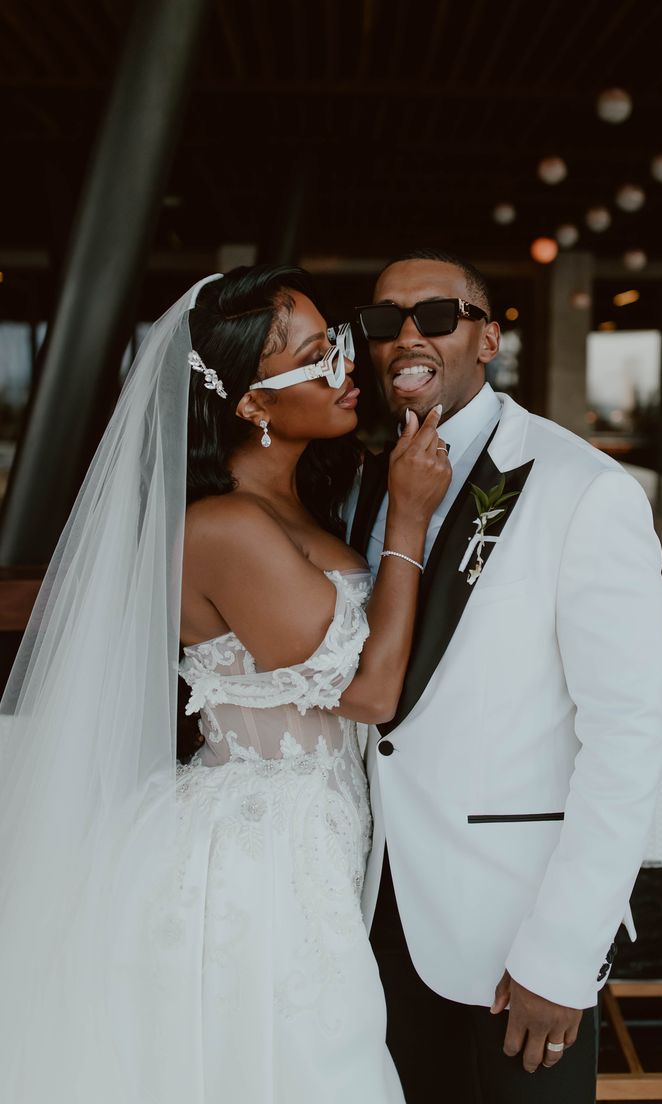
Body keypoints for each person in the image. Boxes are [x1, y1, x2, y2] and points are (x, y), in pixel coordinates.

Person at [0, 265, 452, 1103]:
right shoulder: (225, 528)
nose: (346, 368)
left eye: (340, 346)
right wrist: (414, 518)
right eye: (319, 356)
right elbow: (368, 693)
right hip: (260, 850)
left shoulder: (303, 509)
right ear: (252, 402)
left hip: (311, 834)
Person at [345, 249, 662, 1103]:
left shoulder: (581, 488)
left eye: (437, 316)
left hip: (509, 933)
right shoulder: (358, 488)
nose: (408, 336)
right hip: (366, 915)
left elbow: (627, 741)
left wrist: (562, 955)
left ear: (487, 338)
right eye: (385, 321)